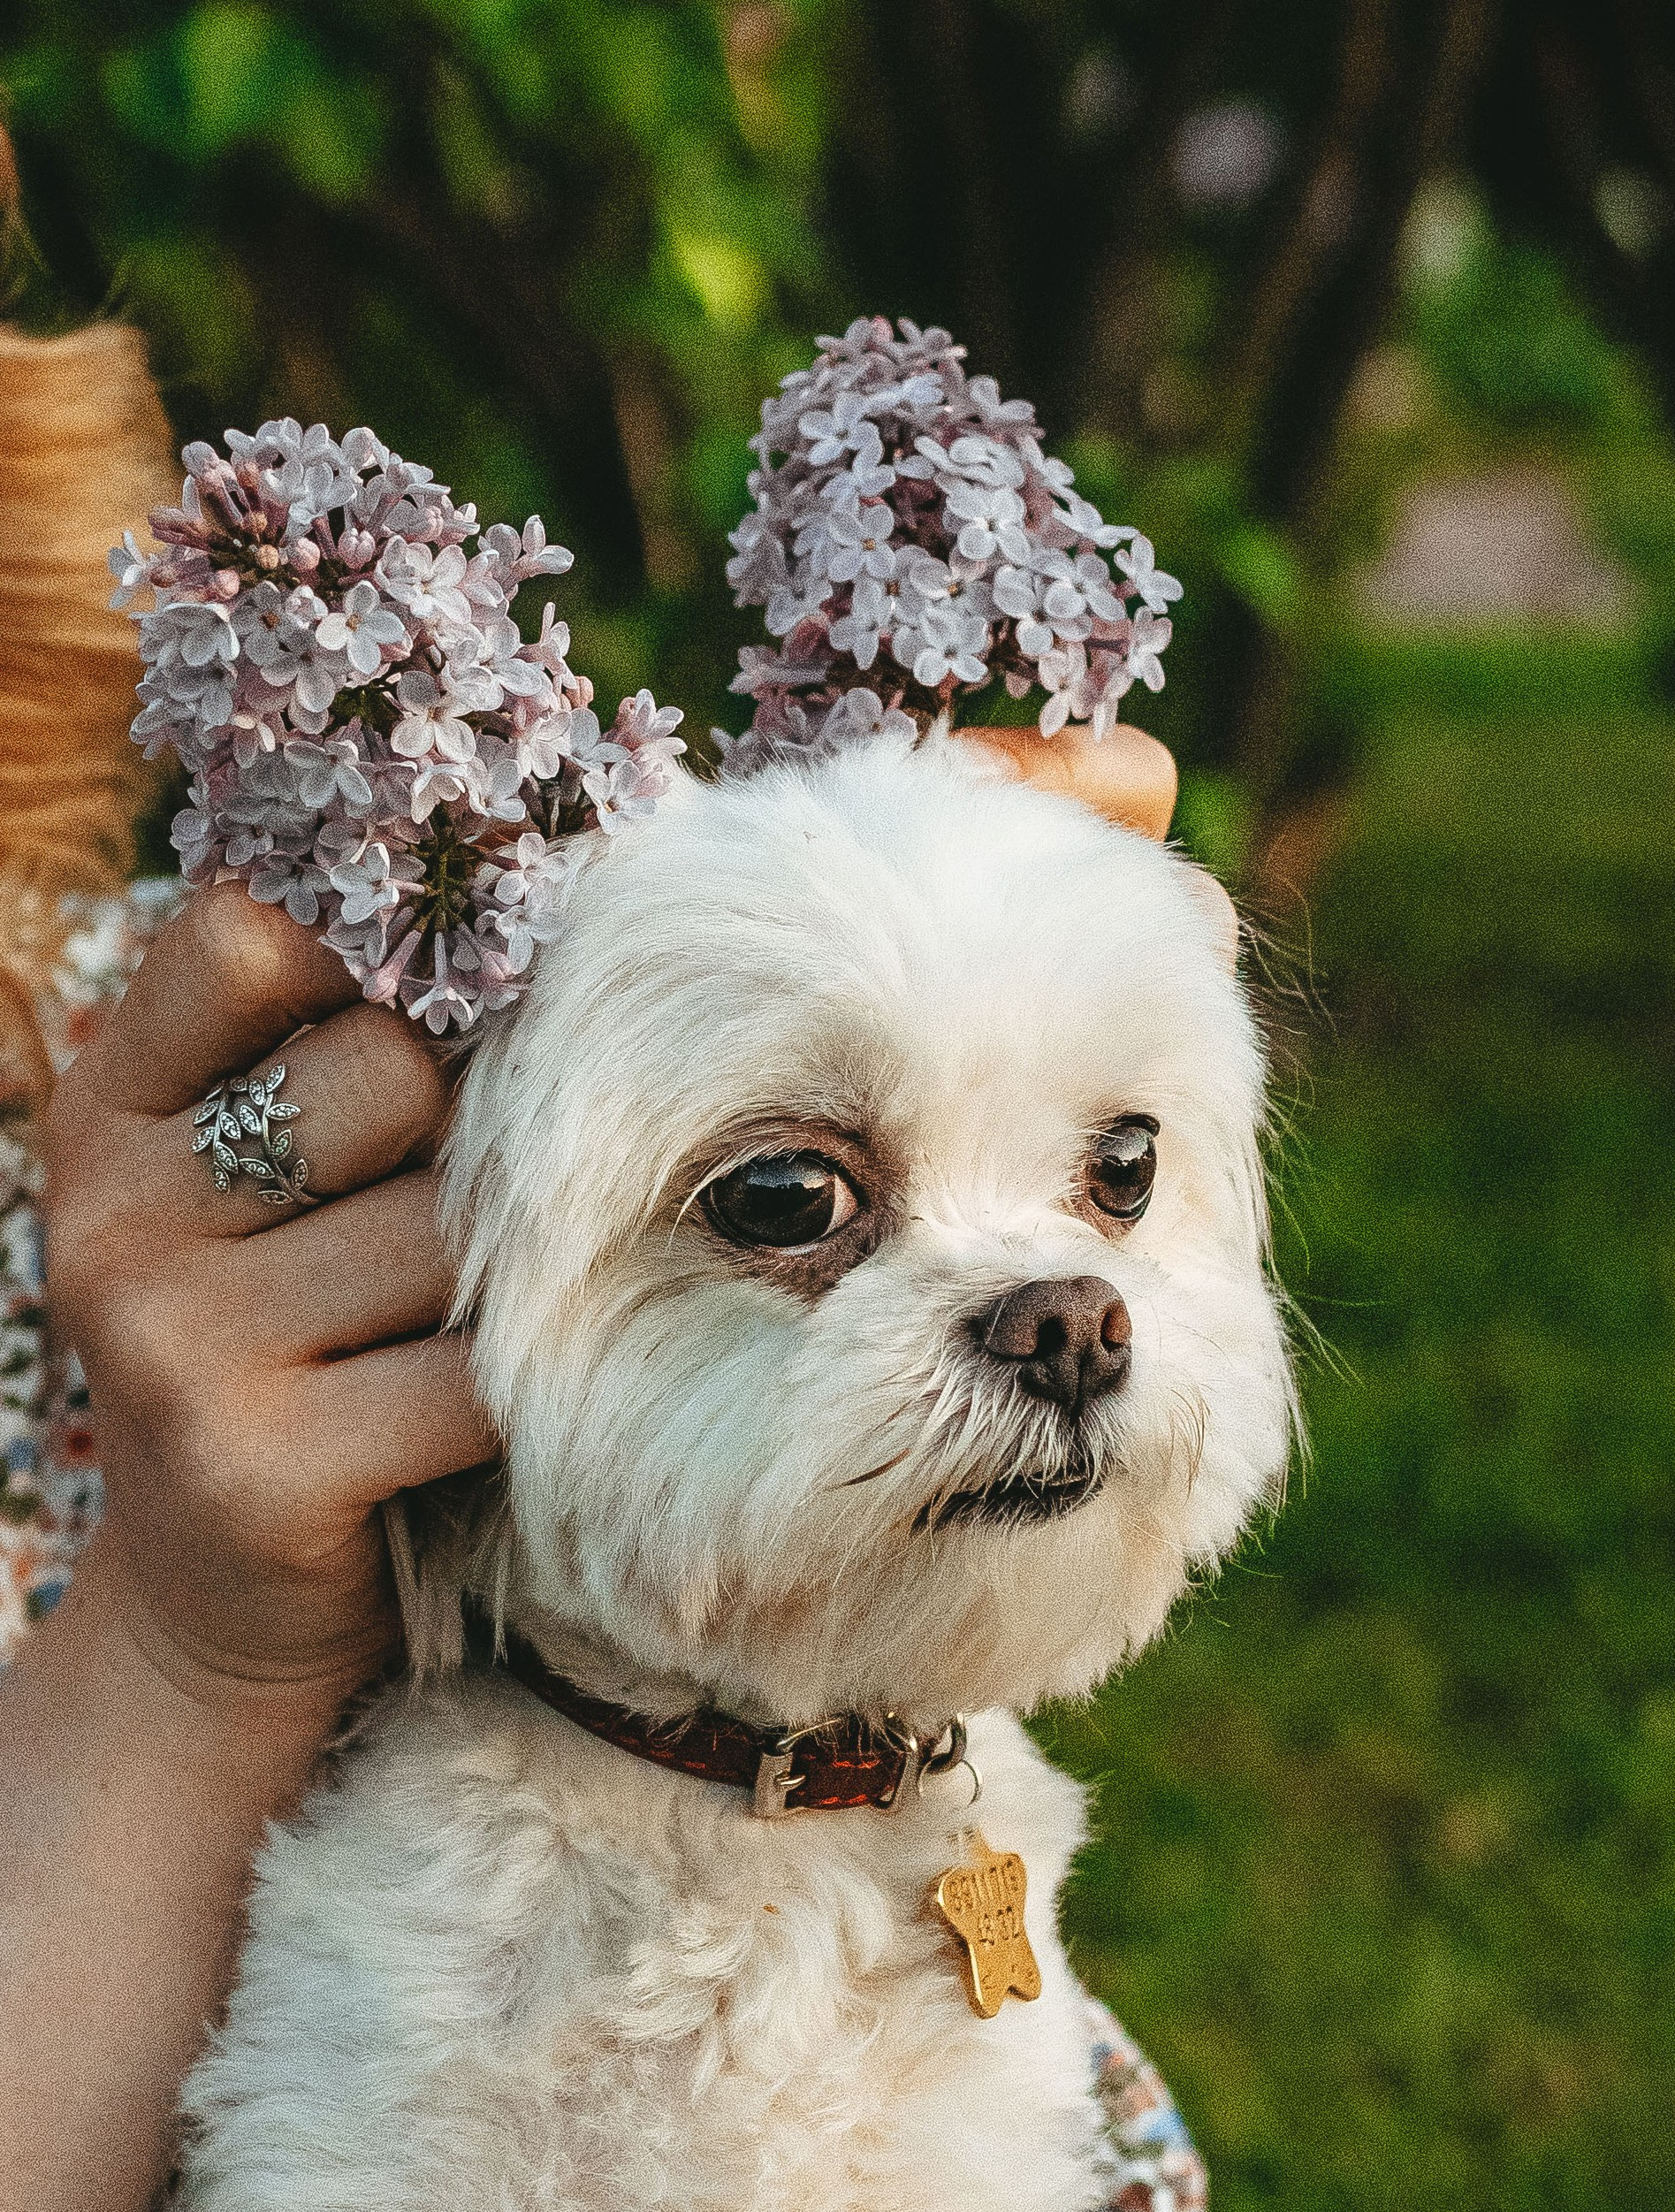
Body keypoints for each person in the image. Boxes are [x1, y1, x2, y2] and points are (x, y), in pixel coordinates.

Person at [0, 123, 1203, 2212]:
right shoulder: (277, 1123)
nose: (1067, 1315)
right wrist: (187, 1658)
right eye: (788, 1202)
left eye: (1114, 1172)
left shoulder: (202, 1050)